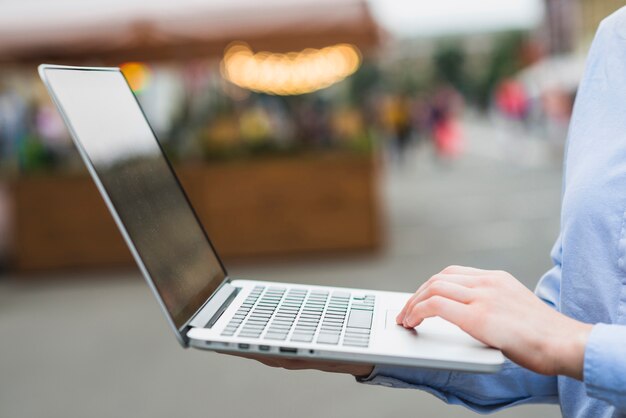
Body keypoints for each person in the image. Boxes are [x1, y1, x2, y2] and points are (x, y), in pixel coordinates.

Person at [233, 8, 626, 418]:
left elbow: (566, 341)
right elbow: (576, 332)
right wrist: (372, 346)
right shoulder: (614, 40)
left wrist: (574, 345)